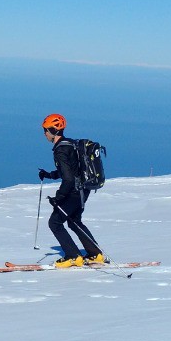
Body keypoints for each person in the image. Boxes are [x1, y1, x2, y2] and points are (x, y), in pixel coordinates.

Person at [37, 113, 106, 268]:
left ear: (54, 131)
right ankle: (96, 254)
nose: (44, 133)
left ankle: (73, 256)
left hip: (74, 191)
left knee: (54, 222)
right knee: (74, 221)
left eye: (46, 130)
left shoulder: (60, 150)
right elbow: (70, 171)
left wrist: (59, 198)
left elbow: (68, 179)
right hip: (83, 190)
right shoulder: (70, 144)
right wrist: (49, 175)